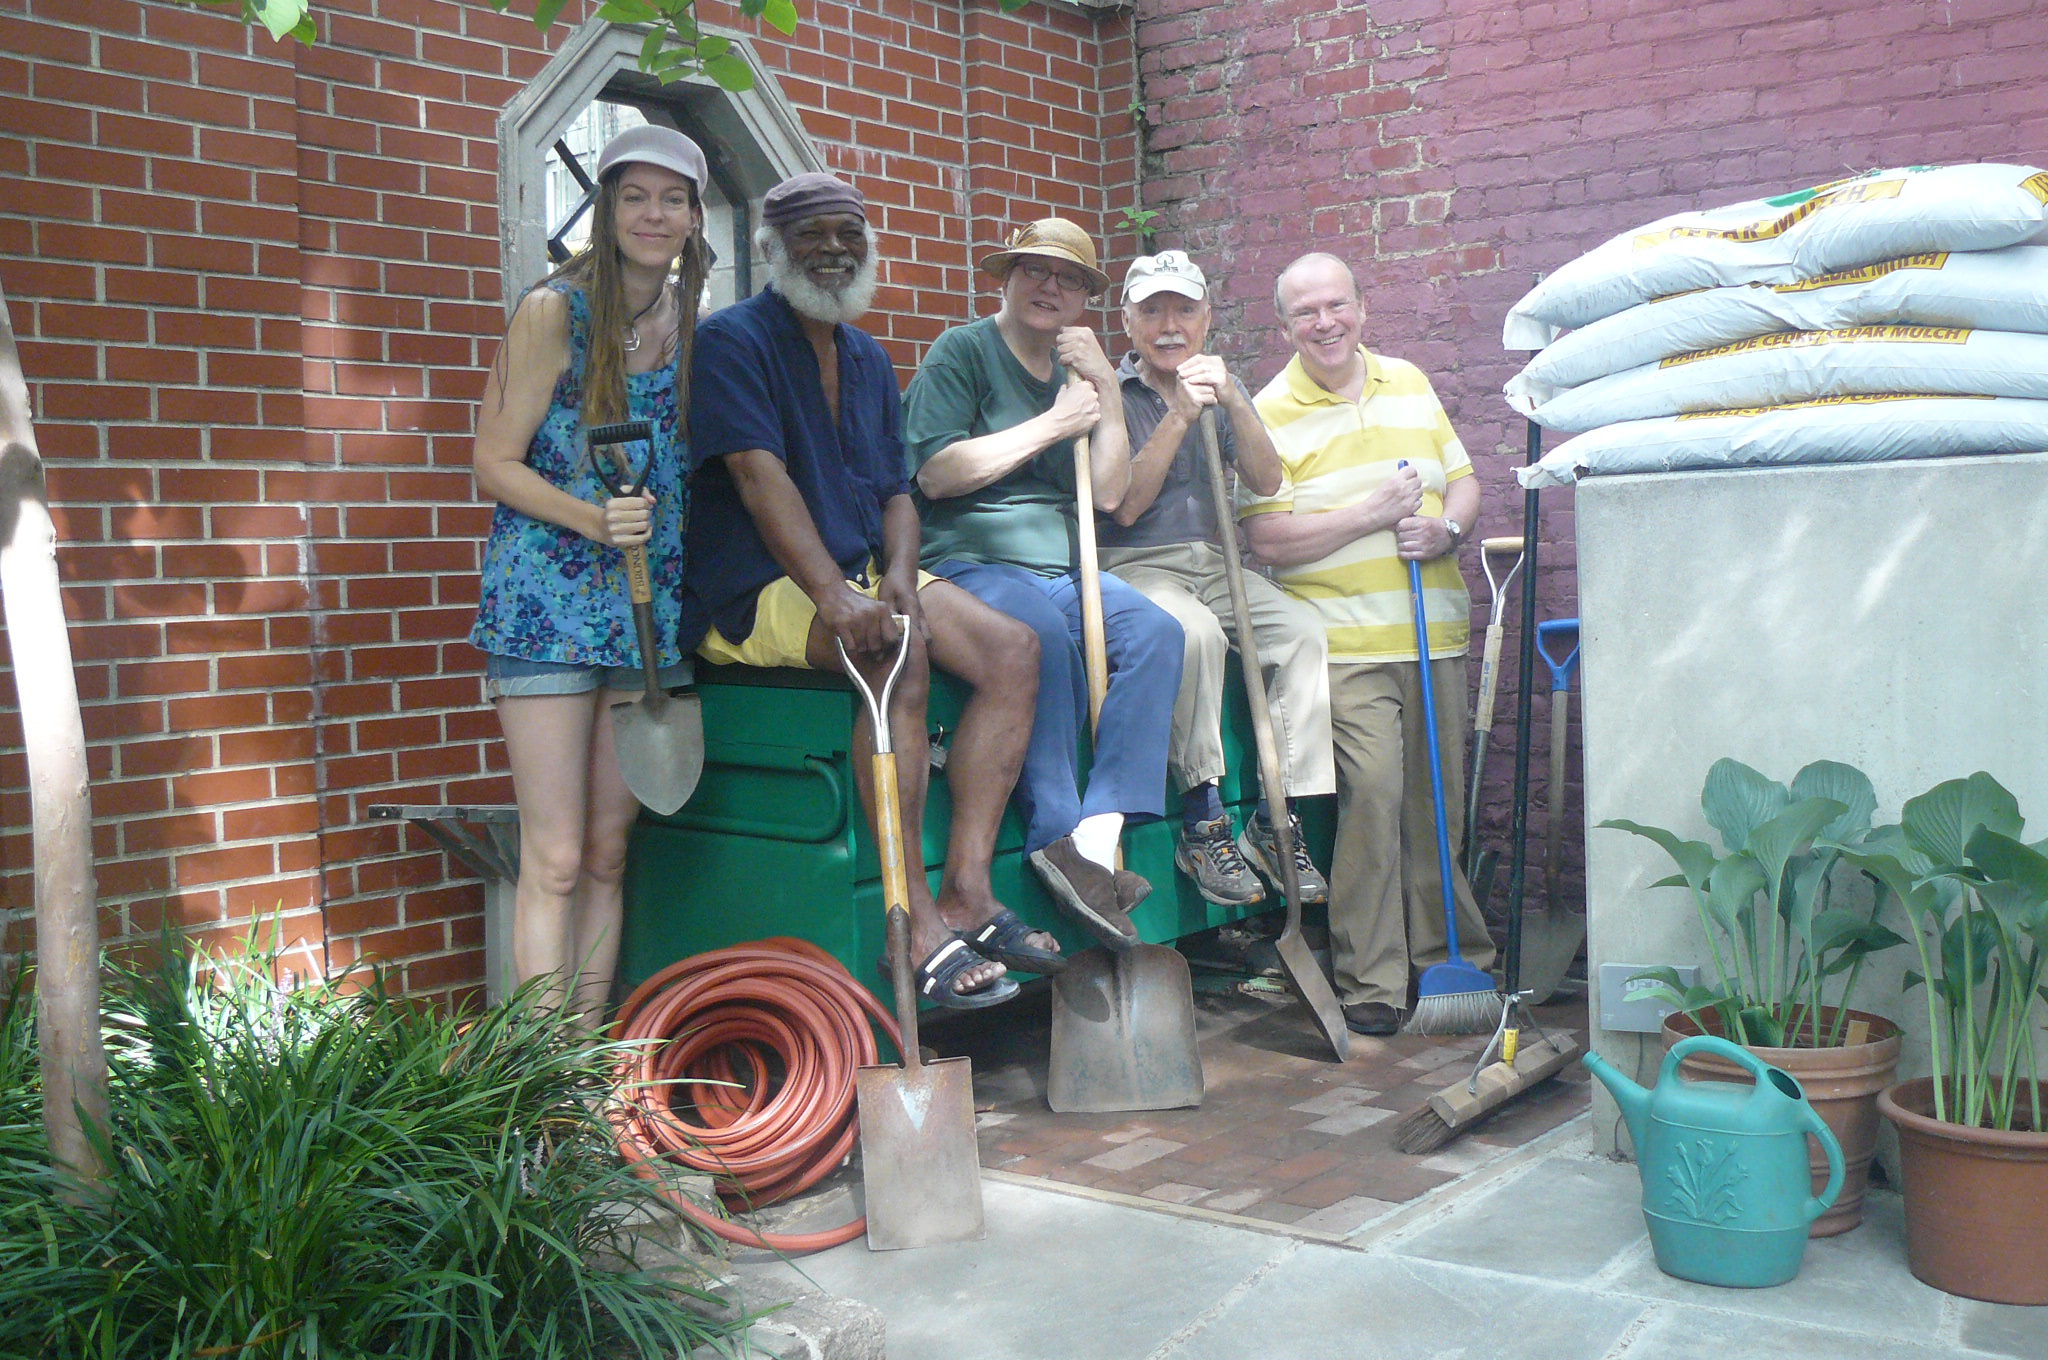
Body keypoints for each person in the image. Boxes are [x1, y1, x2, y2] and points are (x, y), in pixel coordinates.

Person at [682, 173, 1050, 1007]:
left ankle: (967, 891)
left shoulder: (867, 355)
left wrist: (895, 573)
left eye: (848, 233)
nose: (833, 249)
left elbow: (896, 491)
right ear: (772, 248)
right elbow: (755, 473)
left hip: (853, 565)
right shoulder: (731, 340)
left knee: (1012, 650)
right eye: (812, 235)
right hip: (753, 584)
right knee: (897, 648)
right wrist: (837, 598)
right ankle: (910, 920)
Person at [469, 124, 711, 1019]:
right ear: (605, 208)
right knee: (558, 855)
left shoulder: (691, 326)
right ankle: (535, 1082)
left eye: (673, 199)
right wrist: (592, 519)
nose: (655, 214)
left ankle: (580, 1060)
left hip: (646, 614)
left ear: (694, 218)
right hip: (546, 609)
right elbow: (493, 461)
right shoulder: (551, 312)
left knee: (612, 852)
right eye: (635, 196)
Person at [902, 218, 1183, 954]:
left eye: (1067, 278)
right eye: (1033, 270)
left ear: (1087, 298)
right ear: (1007, 278)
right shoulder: (961, 352)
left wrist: (1106, 399)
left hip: (1063, 567)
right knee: (1039, 635)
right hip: (968, 564)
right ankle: (1053, 833)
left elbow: (1113, 492)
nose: (1048, 286)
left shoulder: (1078, 375)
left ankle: (1096, 833)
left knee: (1159, 633)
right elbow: (935, 472)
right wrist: (1053, 424)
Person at [1240, 252, 1496, 1036]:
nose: (1325, 323)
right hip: (1343, 646)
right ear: (1284, 325)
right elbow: (1268, 541)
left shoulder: (1409, 381)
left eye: (1335, 305)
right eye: (1306, 312)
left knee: (1436, 808)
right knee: (1375, 799)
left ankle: (1455, 961)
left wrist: (1444, 526)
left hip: (1433, 635)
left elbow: (1466, 483)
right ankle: (1372, 980)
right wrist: (1375, 512)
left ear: (1361, 308)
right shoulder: (1269, 410)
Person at [1098, 251, 1336, 909]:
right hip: (1135, 566)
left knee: (1302, 631)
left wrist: (1232, 398)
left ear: (1207, 317)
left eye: (1184, 309)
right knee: (1193, 633)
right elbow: (1123, 504)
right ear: (1128, 320)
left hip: (1216, 562)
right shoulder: (1107, 396)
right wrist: (1178, 414)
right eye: (1152, 310)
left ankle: (1274, 819)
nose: (1169, 324)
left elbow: (1266, 480)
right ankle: (1204, 820)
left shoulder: (1217, 389)